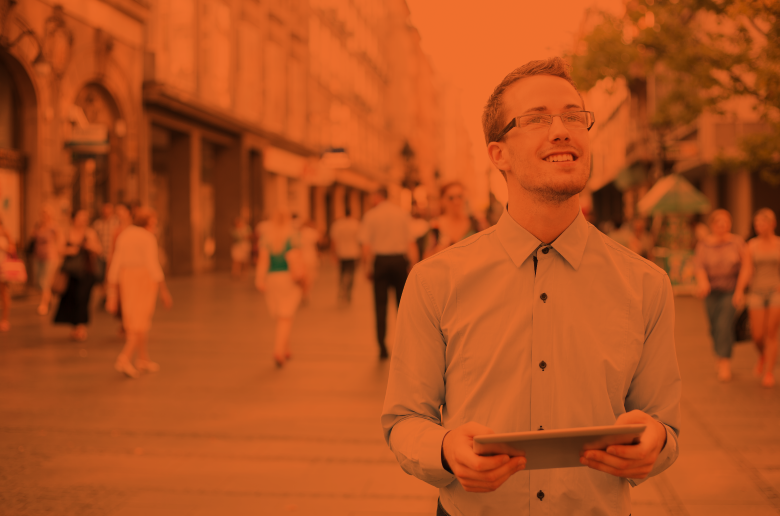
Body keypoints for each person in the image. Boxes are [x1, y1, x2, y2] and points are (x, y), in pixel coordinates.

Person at [381, 58, 681, 515]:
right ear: (498, 153)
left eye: (573, 116)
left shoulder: (647, 284)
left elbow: (664, 425)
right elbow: (404, 419)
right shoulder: (433, 281)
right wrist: (444, 449)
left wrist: (654, 443)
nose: (561, 130)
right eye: (538, 118)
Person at [106, 207, 173, 378]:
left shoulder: (125, 235)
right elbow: (153, 264)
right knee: (140, 320)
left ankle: (143, 358)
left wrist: (112, 291)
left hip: (126, 277)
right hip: (144, 278)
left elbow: (116, 261)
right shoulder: (148, 237)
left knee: (134, 318)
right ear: (148, 223)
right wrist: (164, 290)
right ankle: (124, 358)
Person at [359, 188, 419, 359]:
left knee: (380, 306)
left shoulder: (371, 216)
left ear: (378, 196)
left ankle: (382, 347)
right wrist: (412, 266)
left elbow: (366, 246)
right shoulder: (402, 214)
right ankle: (405, 346)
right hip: (400, 261)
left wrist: (367, 267)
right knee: (403, 307)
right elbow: (411, 242)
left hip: (381, 262)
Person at [694, 209, 744, 382]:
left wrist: (740, 290)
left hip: (730, 290)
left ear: (730, 224)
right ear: (712, 225)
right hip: (711, 291)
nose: (722, 225)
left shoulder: (737, 242)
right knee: (714, 327)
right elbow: (699, 266)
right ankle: (719, 354)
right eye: (718, 222)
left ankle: (725, 363)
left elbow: (746, 267)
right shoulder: (704, 244)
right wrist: (703, 282)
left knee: (724, 326)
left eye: (725, 222)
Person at [733, 208, 780, 388]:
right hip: (757, 292)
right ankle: (763, 355)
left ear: (772, 224)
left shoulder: (778, 244)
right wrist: (739, 290)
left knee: (771, 333)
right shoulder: (751, 245)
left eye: (763, 223)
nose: (759, 227)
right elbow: (747, 269)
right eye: (756, 224)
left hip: (775, 291)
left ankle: (768, 371)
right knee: (757, 335)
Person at [255, 209, 305, 367]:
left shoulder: (266, 236)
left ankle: (286, 348)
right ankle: (278, 351)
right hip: (289, 278)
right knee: (286, 315)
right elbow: (296, 257)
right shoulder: (293, 235)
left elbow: (263, 260)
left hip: (272, 278)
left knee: (281, 314)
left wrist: (259, 279)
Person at [53, 209, 103, 341]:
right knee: (71, 299)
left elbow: (99, 249)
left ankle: (81, 327)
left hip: (86, 272)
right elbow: (59, 249)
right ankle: (75, 327)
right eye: (81, 217)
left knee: (83, 299)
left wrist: (91, 246)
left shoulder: (90, 232)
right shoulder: (66, 232)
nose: (84, 220)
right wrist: (72, 250)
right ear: (74, 218)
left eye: (85, 217)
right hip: (71, 273)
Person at [424, 181, 483, 258]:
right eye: (451, 198)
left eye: (460, 196)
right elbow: (425, 259)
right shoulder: (435, 226)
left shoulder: (475, 223)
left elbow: (487, 247)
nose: (456, 201)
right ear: (442, 200)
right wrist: (437, 251)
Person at [31, 207, 62, 316]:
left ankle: (44, 304)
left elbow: (60, 239)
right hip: (38, 255)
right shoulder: (39, 225)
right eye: (43, 213)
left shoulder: (53, 226)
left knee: (45, 281)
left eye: (46, 213)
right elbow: (33, 237)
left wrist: (60, 252)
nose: (44, 216)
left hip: (50, 255)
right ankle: (49, 298)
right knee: (39, 281)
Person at [329, 209, 361, 305]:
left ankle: (341, 290)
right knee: (351, 273)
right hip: (353, 252)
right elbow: (360, 240)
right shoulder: (356, 224)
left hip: (341, 252)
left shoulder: (337, 224)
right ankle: (348, 293)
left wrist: (333, 253)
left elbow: (334, 240)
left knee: (342, 273)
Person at [0, 217, 15, 332]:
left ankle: (5, 319)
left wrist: (4, 247)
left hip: (3, 267)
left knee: (4, 293)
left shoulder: (5, 232)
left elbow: (12, 249)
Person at [230, 214, 252, 279]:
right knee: (236, 260)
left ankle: (244, 273)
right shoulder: (233, 230)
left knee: (245, 260)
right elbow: (234, 237)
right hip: (237, 246)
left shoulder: (247, 228)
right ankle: (236, 272)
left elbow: (249, 236)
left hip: (245, 246)